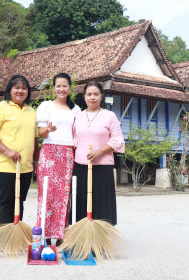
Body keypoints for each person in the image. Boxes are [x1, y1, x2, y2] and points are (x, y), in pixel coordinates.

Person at [0, 75, 39, 227]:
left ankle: (15, 235)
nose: (20, 91)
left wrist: (37, 161)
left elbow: (34, 139)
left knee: (20, 201)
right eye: (17, 88)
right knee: (6, 201)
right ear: (10, 90)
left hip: (26, 167)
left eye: (24, 88)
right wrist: (7, 151)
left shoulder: (31, 111)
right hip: (5, 165)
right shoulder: (0, 108)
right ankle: (3, 237)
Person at [36, 73, 81, 244]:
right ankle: (46, 237)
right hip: (49, 153)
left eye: (65, 86)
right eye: (58, 86)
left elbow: (78, 134)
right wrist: (48, 129)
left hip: (67, 153)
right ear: (53, 88)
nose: (61, 89)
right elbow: (40, 133)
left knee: (64, 195)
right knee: (46, 193)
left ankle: (62, 235)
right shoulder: (46, 106)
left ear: (70, 88)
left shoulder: (76, 109)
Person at [72, 81, 125, 225]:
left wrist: (100, 151)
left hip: (102, 166)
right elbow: (73, 140)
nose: (92, 97)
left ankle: (100, 238)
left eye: (96, 94)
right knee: (81, 200)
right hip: (80, 165)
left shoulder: (109, 116)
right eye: (89, 94)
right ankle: (82, 235)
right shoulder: (78, 116)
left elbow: (118, 139)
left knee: (101, 201)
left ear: (101, 96)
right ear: (84, 97)